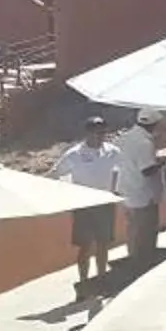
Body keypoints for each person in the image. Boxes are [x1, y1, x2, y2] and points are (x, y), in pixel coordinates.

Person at [53, 116, 119, 303]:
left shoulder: (112, 151)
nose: (102, 137)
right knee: (85, 246)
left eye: (104, 133)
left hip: (105, 203)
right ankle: (83, 285)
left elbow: (122, 168)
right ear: (89, 133)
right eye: (98, 133)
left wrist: (115, 189)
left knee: (103, 244)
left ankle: (102, 281)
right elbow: (56, 173)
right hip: (84, 205)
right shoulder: (75, 154)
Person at [110, 113, 163, 273]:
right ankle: (143, 268)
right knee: (145, 234)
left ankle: (134, 262)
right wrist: (162, 163)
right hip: (143, 195)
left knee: (132, 231)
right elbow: (147, 170)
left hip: (126, 192)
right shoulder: (144, 143)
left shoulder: (122, 138)